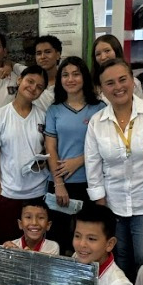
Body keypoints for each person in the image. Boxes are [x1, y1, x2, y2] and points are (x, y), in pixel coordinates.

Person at [85, 58, 143, 282]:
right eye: (109, 83)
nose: (118, 87)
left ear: (132, 80)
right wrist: (102, 209)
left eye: (122, 79)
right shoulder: (97, 122)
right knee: (120, 260)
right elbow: (93, 167)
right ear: (101, 89)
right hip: (113, 206)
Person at [44, 56, 103, 255]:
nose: (71, 79)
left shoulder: (100, 108)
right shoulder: (54, 110)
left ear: (84, 77)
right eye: (65, 75)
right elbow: (50, 147)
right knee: (59, 240)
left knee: (87, 241)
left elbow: (105, 145)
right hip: (61, 185)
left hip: (92, 183)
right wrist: (58, 182)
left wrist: (79, 160)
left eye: (76, 74)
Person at [0, 66, 49, 243]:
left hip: (37, 191)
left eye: (39, 86)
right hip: (8, 192)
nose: (33, 88)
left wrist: (43, 160)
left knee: (35, 246)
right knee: (8, 245)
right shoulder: (0, 116)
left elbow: (48, 149)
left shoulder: (43, 116)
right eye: (30, 81)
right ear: (19, 80)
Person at [91, 34, 143, 98]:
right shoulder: (91, 85)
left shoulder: (134, 83)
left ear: (116, 51)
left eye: (107, 51)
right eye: (98, 54)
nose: (103, 57)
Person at [32, 35, 62, 111]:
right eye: (39, 53)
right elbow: (12, 64)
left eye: (47, 52)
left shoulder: (66, 82)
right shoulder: (28, 80)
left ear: (58, 55)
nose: (43, 57)